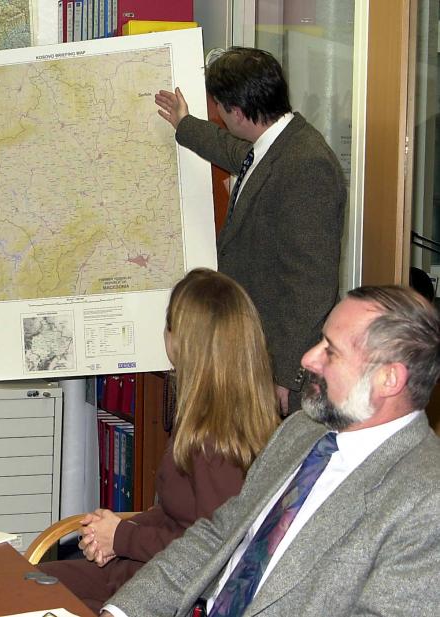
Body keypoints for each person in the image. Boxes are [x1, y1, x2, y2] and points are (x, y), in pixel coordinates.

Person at [102, 285, 440, 617]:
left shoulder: (426, 500)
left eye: (331, 351)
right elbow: (217, 537)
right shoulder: (301, 431)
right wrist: (123, 611)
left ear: (388, 379)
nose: (308, 359)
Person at [38, 269, 279, 612]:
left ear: (182, 342)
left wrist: (122, 537)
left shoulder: (215, 444)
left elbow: (213, 553)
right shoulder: (212, 418)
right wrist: (114, 532)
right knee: (25, 582)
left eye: (168, 325)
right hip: (141, 572)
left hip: (161, 594)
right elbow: (174, 516)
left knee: (27, 597)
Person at [154, 47, 346, 415]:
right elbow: (232, 150)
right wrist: (184, 124)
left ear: (238, 112)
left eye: (221, 109)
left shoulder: (307, 165)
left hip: (279, 371)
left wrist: (286, 374)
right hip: (255, 356)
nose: (220, 116)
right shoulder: (276, 145)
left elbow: (312, 284)